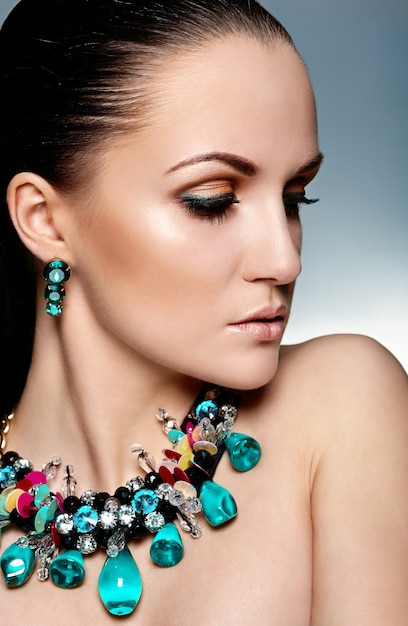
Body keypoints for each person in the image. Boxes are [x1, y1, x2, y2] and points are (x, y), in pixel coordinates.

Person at [0, 0, 407, 623]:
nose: (286, 259)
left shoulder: (343, 408)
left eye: (296, 197)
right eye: (212, 201)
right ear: (45, 219)